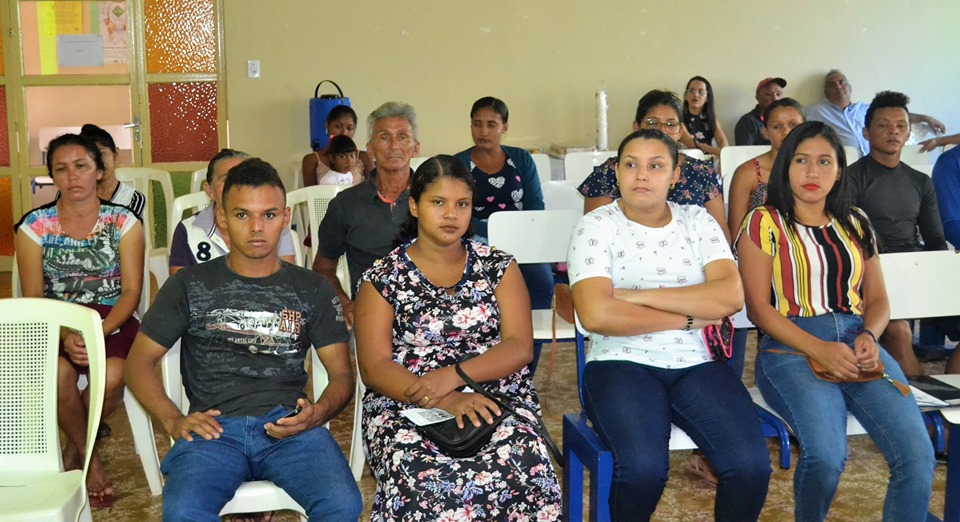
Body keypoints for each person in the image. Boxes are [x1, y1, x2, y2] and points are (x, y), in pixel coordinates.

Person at [125, 159, 362, 521]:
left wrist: (319, 413)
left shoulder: (311, 289)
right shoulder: (189, 285)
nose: (256, 228)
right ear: (221, 218)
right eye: (241, 215)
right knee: (183, 512)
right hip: (214, 431)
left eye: (268, 215)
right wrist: (173, 421)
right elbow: (138, 363)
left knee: (343, 505)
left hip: (290, 428)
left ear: (285, 218)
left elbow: (342, 376)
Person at [568, 129, 770, 521]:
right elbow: (596, 316)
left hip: (694, 363)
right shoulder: (596, 226)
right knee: (643, 470)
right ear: (617, 172)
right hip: (618, 364)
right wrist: (690, 316)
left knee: (750, 466)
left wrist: (631, 294)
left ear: (675, 175)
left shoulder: (697, 222)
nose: (642, 175)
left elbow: (729, 297)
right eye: (631, 165)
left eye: (655, 166)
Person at [738, 121, 934, 521]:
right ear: (785, 168)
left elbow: (878, 300)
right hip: (790, 349)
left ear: (840, 170)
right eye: (802, 161)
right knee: (827, 456)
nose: (813, 172)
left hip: (858, 346)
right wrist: (818, 349)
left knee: (917, 455)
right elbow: (758, 308)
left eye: (824, 162)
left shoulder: (856, 221)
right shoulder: (764, 222)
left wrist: (868, 335)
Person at [354, 155, 561, 520]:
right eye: (438, 203)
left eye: (461, 204)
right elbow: (374, 366)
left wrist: (454, 377)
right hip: (407, 399)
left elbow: (519, 347)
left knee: (526, 460)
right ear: (415, 206)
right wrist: (444, 399)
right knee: (419, 477)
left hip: (496, 394)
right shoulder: (382, 277)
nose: (451, 214)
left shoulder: (498, 266)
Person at [15, 133, 145, 509]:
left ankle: (77, 453)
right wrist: (67, 333)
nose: (72, 177)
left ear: (99, 172)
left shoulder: (123, 221)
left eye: (81, 166)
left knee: (116, 374)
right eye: (61, 169)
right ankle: (91, 462)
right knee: (58, 374)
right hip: (54, 321)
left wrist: (94, 333)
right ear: (52, 177)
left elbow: (131, 292)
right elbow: (35, 299)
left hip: (111, 319)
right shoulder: (33, 227)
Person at [846, 91, 948, 377]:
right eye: (883, 125)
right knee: (900, 331)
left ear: (907, 134)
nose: (893, 131)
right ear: (866, 132)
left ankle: (949, 407)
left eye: (901, 126)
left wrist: (944, 274)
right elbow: (850, 238)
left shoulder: (920, 182)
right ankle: (919, 412)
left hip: (916, 269)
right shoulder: (851, 178)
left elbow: (935, 239)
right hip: (871, 277)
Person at [452, 96, 553, 371]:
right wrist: (493, 230)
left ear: (504, 127)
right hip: (476, 246)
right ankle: (483, 370)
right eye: (477, 124)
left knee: (542, 284)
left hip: (523, 245)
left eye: (491, 125)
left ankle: (523, 369)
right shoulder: (458, 164)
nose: (483, 132)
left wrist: (513, 233)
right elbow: (459, 212)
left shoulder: (520, 159)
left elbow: (535, 206)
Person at [313, 101, 420, 327]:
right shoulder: (346, 205)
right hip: (373, 316)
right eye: (384, 137)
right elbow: (323, 269)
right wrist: (345, 303)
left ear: (416, 147)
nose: (393, 146)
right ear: (369, 148)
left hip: (428, 313)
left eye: (402, 137)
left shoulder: (432, 200)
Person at [578, 90, 729, 243]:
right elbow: (594, 236)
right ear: (637, 127)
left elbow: (721, 237)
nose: (662, 130)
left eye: (671, 124)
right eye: (652, 123)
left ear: (680, 131)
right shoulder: (610, 172)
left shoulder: (701, 172)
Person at [169, 148, 297, 274]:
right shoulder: (189, 230)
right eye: (228, 180)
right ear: (209, 191)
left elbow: (287, 278)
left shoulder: (272, 225)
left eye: (244, 178)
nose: (236, 187)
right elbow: (181, 287)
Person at [807, 70, 946, 158]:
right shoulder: (817, 111)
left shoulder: (864, 108)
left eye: (842, 82)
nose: (838, 86)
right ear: (825, 92)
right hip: (843, 164)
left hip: (876, 161)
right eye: (832, 85)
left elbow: (895, 115)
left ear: (850, 88)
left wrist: (925, 118)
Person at [727, 98, 806, 235]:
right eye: (777, 126)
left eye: (793, 125)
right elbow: (736, 232)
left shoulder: (816, 170)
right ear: (765, 132)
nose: (786, 132)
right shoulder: (747, 172)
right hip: (759, 250)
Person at [69, 123, 146, 219]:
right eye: (91, 156)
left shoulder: (133, 198)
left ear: (115, 154)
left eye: (102, 154)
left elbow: (122, 232)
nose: (98, 162)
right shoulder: (70, 194)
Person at [301, 104, 374, 187]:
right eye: (338, 126)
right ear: (327, 125)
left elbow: (375, 190)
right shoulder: (312, 160)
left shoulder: (364, 157)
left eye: (349, 128)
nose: (344, 133)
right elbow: (309, 195)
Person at [681, 76, 729, 156]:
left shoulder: (711, 119)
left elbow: (724, 147)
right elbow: (692, 145)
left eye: (701, 92)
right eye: (692, 91)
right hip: (683, 161)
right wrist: (709, 149)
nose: (696, 95)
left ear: (707, 98)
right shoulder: (678, 118)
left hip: (706, 161)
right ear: (686, 95)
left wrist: (710, 149)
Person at [734, 77, 785, 146]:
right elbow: (744, 154)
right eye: (769, 94)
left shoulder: (785, 120)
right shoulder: (748, 122)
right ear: (757, 97)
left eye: (778, 94)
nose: (775, 99)